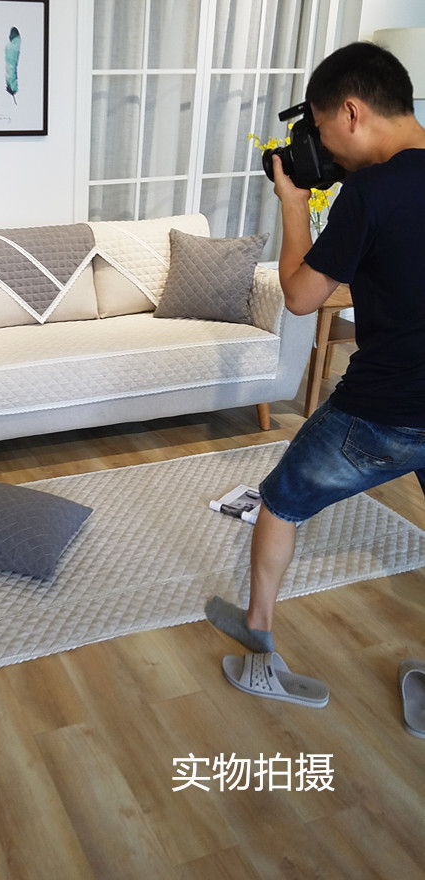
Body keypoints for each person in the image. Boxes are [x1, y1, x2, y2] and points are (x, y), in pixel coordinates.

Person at [206, 41, 425, 669]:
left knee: (280, 500)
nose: (325, 149)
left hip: (384, 409)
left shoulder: (373, 192)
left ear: (352, 111)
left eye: (324, 130)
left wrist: (294, 204)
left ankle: (258, 630)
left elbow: (301, 298)